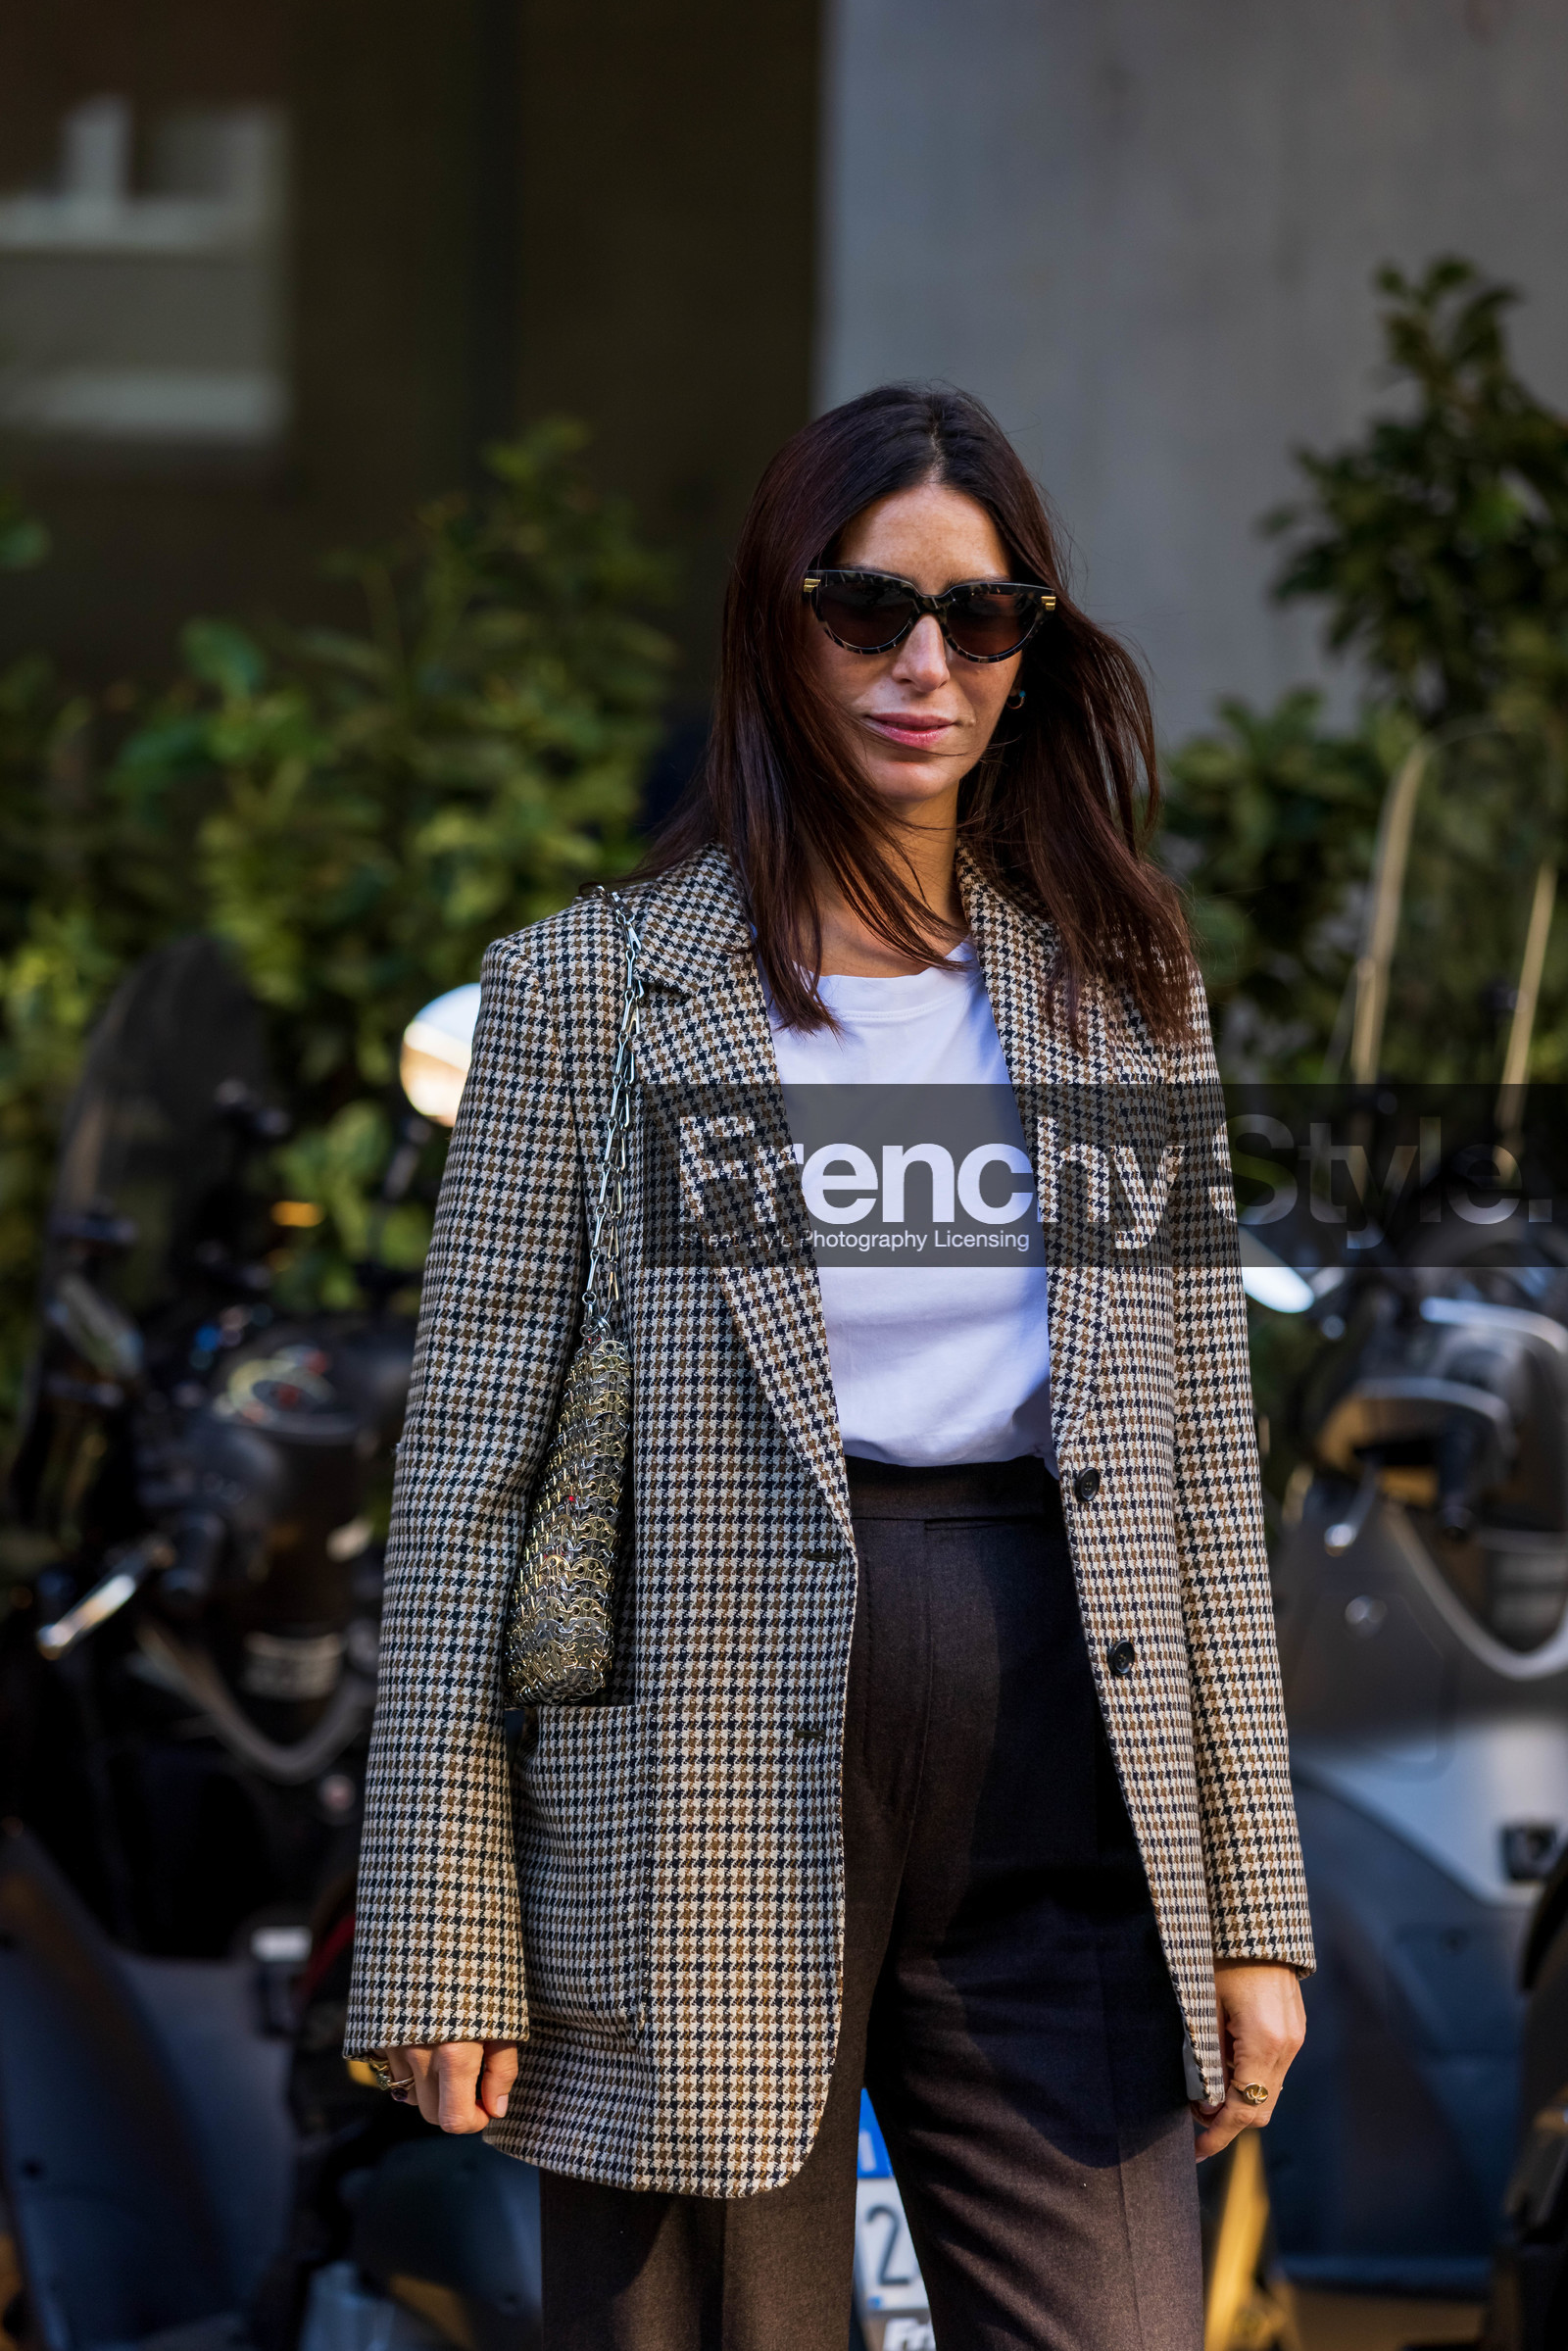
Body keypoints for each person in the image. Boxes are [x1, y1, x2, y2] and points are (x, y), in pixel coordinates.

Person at [345, 383, 1312, 2351]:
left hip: (1064, 1751)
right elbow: (468, 1484)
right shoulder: (585, 996)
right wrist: (444, 1923)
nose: (923, 665)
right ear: (774, 628)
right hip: (685, 1770)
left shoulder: (1121, 988)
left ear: (1032, 644)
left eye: (979, 615)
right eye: (865, 611)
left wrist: (1250, 1912)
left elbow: (1198, 1467)